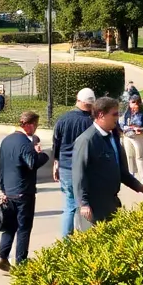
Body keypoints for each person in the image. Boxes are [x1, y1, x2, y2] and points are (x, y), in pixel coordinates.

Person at [73, 97, 143, 231]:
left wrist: (136, 185)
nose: (117, 118)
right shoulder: (87, 140)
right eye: (114, 114)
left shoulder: (112, 137)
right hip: (94, 207)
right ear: (101, 114)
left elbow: (119, 169)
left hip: (111, 203)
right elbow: (79, 174)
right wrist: (83, 204)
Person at [0, 110, 49, 271]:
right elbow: (32, 163)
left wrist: (3, 189)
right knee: (24, 227)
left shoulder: (6, 141)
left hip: (9, 190)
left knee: (10, 225)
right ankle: (21, 261)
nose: (36, 129)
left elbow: (1, 167)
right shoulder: (25, 143)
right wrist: (42, 155)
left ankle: (2, 256)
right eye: (36, 125)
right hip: (23, 191)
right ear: (29, 125)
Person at [52, 88, 95, 238]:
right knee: (86, 204)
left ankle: (66, 241)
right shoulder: (90, 122)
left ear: (78, 100)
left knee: (69, 205)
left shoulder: (63, 119)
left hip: (65, 166)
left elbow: (56, 143)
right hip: (83, 168)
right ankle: (86, 238)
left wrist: (56, 162)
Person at [120, 96, 143, 183]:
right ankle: (131, 175)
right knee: (129, 156)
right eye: (132, 102)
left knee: (139, 157)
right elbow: (121, 124)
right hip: (127, 136)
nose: (134, 104)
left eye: (136, 102)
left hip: (138, 137)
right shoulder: (126, 113)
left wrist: (139, 129)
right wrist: (126, 128)